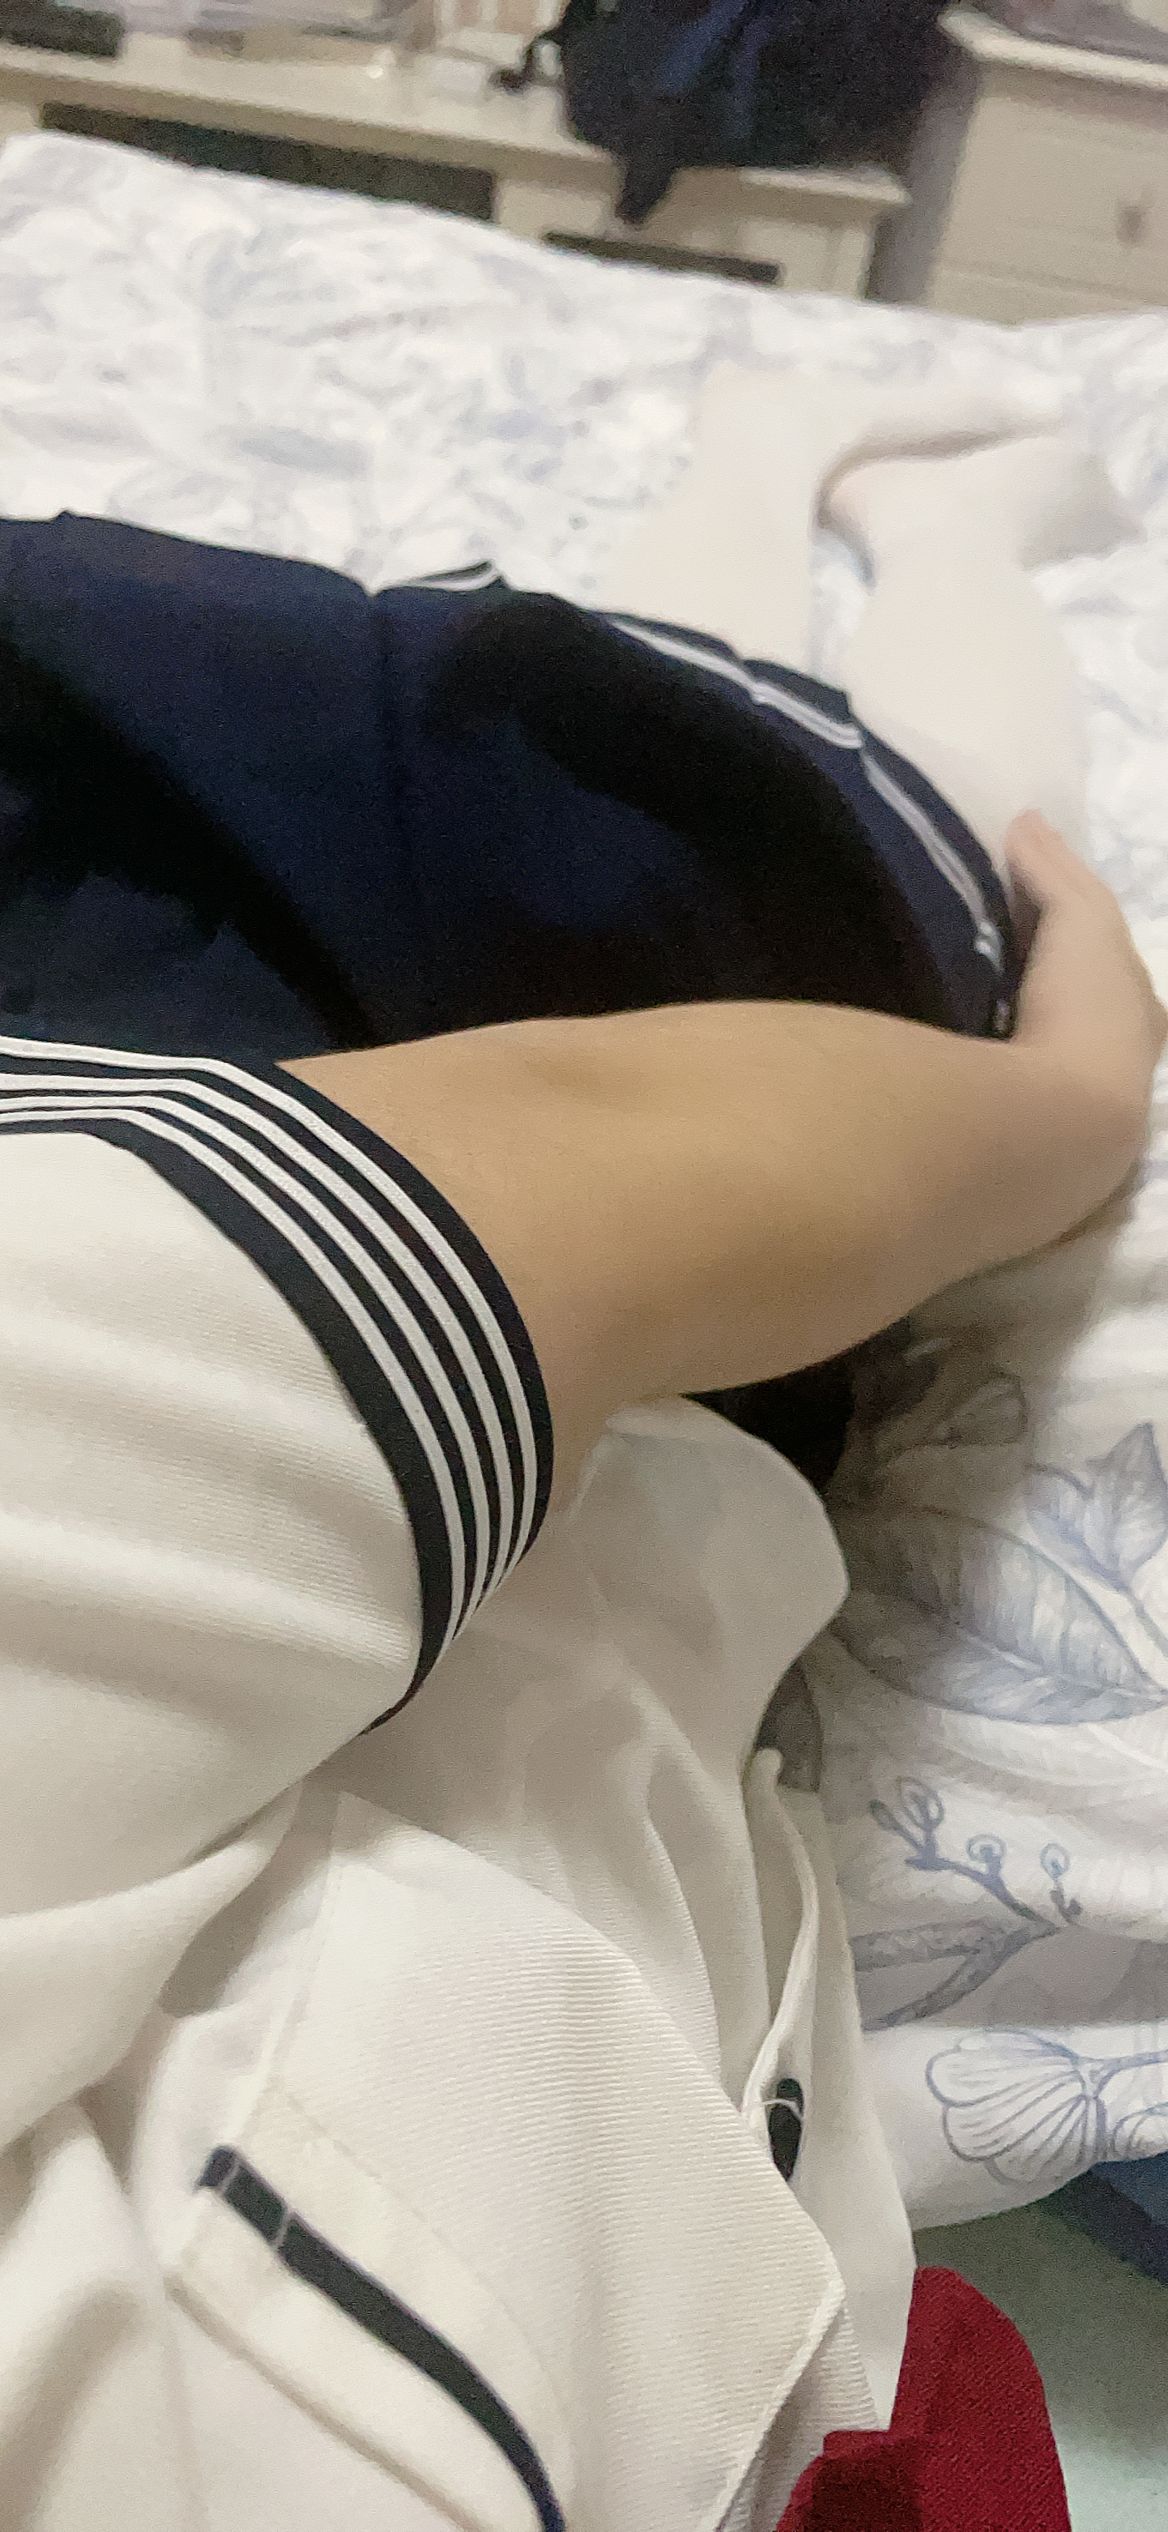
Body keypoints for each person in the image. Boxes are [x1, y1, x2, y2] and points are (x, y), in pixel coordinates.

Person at [0, 377, 1160, 2530]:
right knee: (734, 775)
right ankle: (804, 477)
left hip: (328, 1046)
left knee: (904, 854)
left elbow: (564, 1172)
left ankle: (872, 497)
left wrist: (1077, 1100)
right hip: (481, 1284)